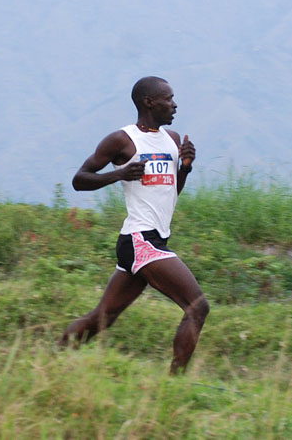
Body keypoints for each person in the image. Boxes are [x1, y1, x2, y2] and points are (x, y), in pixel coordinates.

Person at [58, 76, 209, 374]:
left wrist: (186, 169)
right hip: (141, 240)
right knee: (197, 307)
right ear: (148, 102)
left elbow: (169, 193)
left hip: (152, 241)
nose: (175, 104)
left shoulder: (172, 140)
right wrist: (120, 174)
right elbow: (79, 180)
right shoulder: (122, 140)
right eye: (169, 98)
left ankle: (53, 359)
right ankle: (174, 384)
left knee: (103, 317)